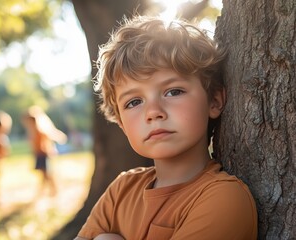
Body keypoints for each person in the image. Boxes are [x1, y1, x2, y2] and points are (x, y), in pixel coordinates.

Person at [75, 16, 257, 240]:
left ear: (214, 101)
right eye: (134, 102)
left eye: (173, 91)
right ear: (121, 123)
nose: (153, 112)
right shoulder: (121, 190)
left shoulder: (224, 199)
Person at [22, 106, 67, 197]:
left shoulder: (40, 131)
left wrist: (48, 150)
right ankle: (44, 191)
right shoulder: (32, 131)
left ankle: (52, 190)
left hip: (43, 154)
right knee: (43, 174)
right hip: (39, 154)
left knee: (47, 174)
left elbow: (46, 142)